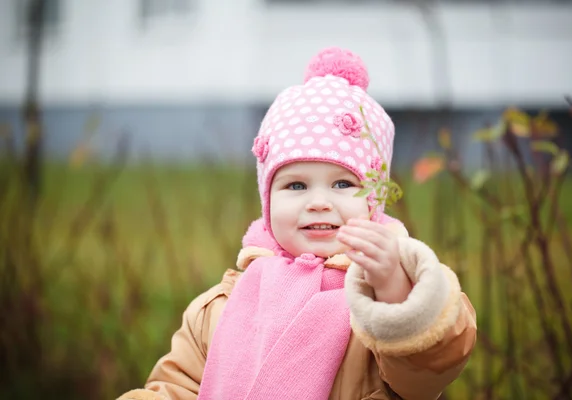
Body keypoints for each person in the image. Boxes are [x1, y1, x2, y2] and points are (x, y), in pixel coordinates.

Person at [118, 47, 477, 400]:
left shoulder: (377, 302)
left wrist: (394, 290)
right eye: (296, 185)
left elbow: (429, 370)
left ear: (373, 200)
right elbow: (175, 389)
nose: (318, 202)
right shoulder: (219, 309)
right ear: (267, 201)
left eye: (342, 184)